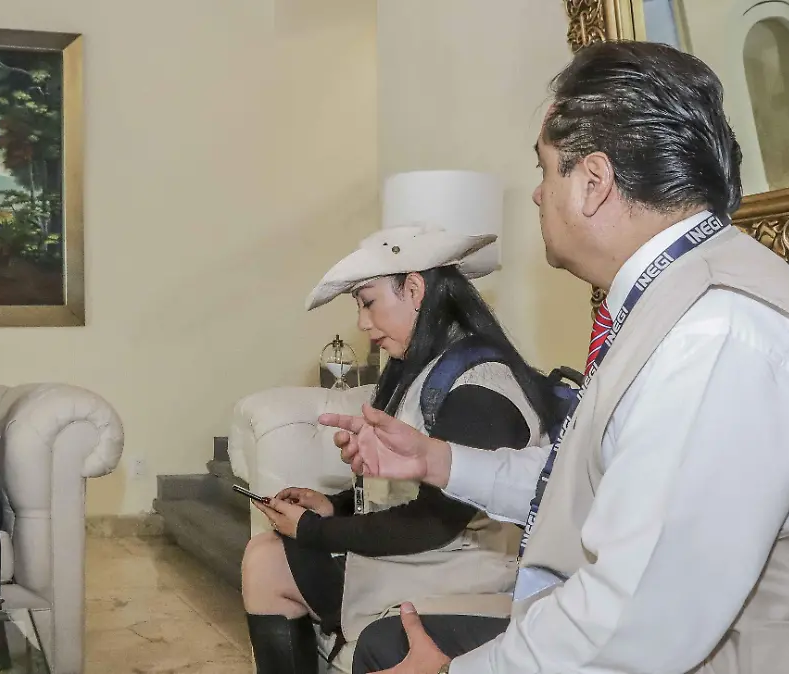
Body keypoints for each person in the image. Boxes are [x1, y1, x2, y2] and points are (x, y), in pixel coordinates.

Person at [322, 40, 789, 674]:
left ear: (593, 182)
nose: (536, 196)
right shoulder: (677, 300)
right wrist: (438, 461)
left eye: (545, 169)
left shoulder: (716, 334)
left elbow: (632, 622)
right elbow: (588, 478)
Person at [243, 172, 568, 673]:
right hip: (425, 562)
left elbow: (434, 523)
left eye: (368, 302)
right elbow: (409, 493)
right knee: (265, 558)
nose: (362, 322)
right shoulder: (425, 370)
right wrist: (333, 506)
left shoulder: (480, 388)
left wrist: (314, 531)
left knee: (268, 562)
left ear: (414, 289)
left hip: (459, 578)